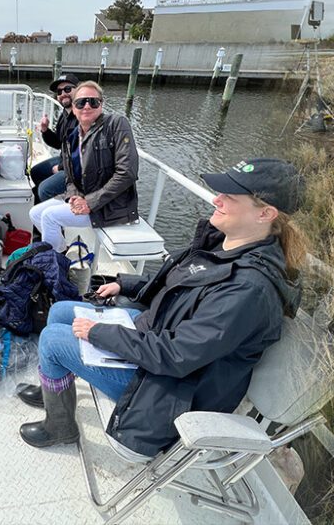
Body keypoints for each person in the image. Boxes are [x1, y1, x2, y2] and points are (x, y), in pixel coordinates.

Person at [17, 159, 307, 463]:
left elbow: (176, 355)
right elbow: (179, 286)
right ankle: (53, 389)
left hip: (169, 392)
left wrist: (100, 333)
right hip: (157, 340)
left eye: (230, 198)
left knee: (52, 339)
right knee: (62, 311)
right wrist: (126, 284)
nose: (216, 199)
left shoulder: (248, 290)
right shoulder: (225, 244)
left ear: (265, 213)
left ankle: (60, 426)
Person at [27, 82, 139, 249]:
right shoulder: (72, 137)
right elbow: (70, 178)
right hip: (85, 199)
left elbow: (127, 173)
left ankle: (52, 262)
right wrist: (73, 196)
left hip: (110, 206)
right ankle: (60, 254)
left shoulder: (116, 124)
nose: (86, 106)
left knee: (49, 216)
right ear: (74, 106)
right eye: (81, 102)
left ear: (101, 104)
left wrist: (89, 202)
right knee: (35, 213)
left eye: (93, 102)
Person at [30, 74, 82, 200]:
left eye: (67, 89)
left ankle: (56, 214)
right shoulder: (65, 114)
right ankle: (37, 208)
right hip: (64, 159)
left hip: (78, 168)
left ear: (79, 90)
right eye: (59, 91)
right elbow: (58, 143)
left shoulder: (83, 115)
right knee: (35, 172)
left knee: (44, 190)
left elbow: (82, 154)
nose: (63, 93)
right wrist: (45, 130)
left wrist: (60, 168)